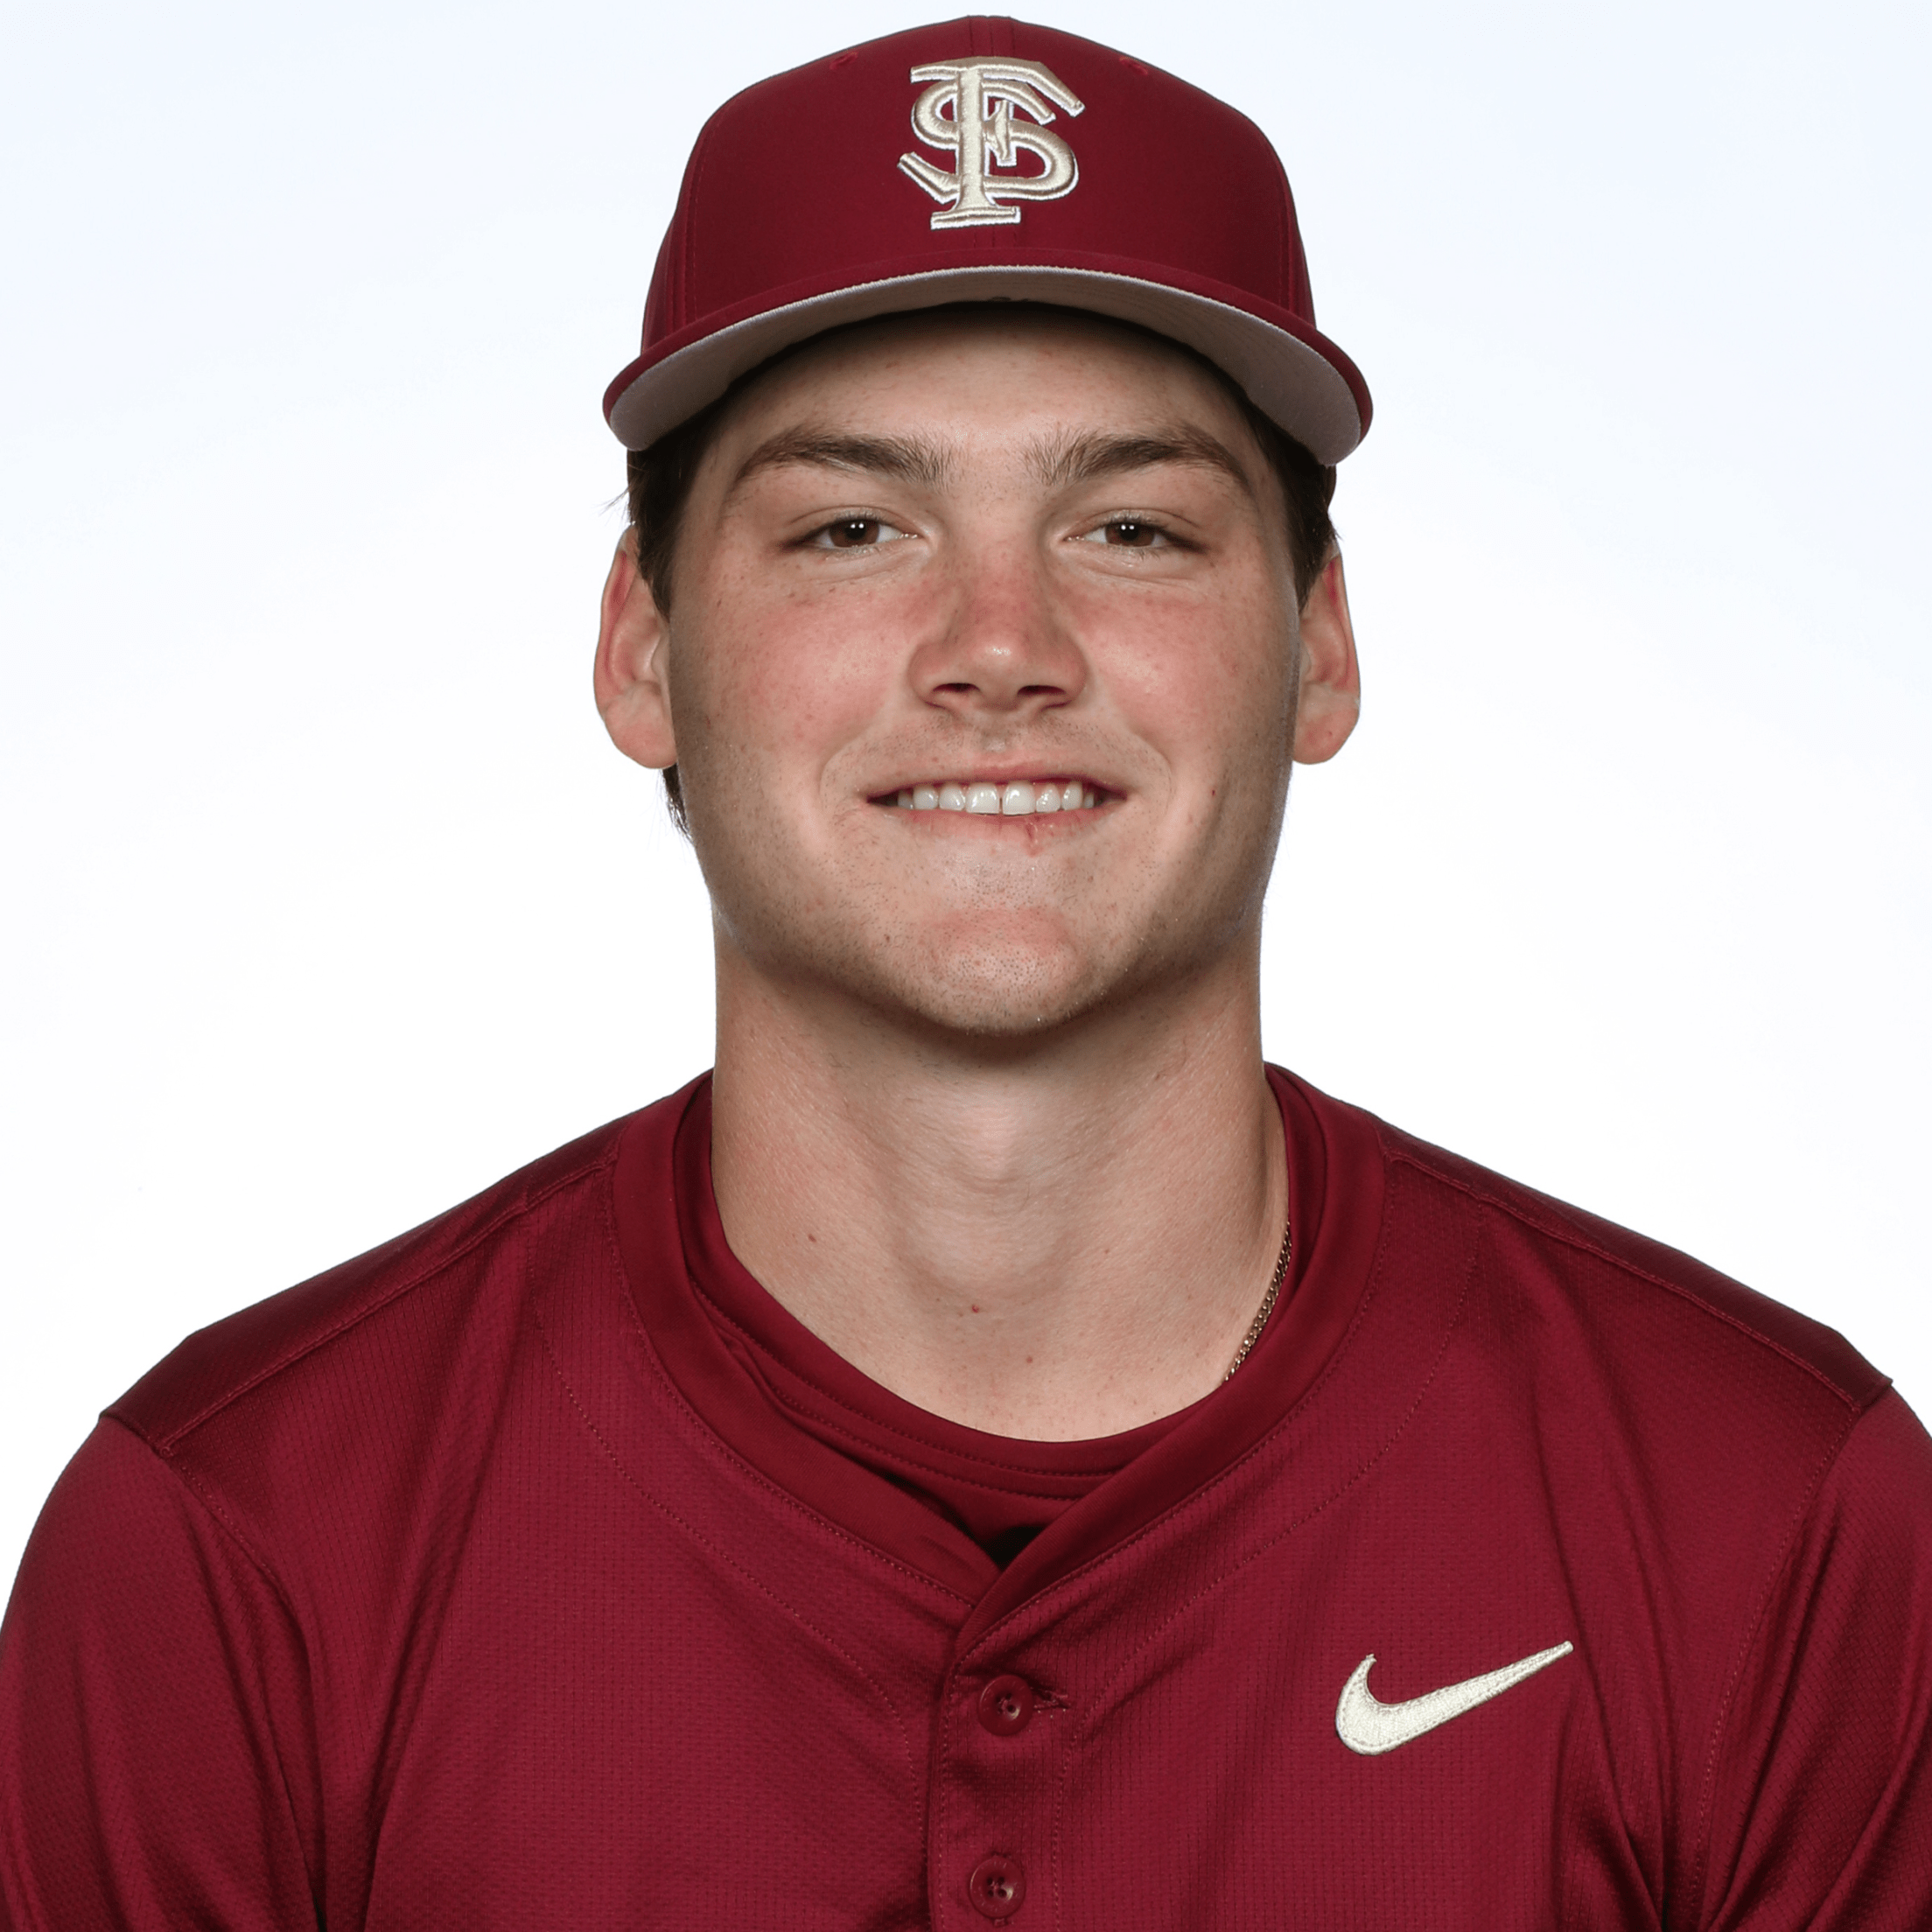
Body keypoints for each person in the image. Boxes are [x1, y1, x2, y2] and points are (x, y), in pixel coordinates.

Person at [4, 18, 1929, 1928]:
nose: (1000, 645)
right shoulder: (239, 1549)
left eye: (1132, 528)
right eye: (853, 527)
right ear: (642, 655)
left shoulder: (1768, 1522)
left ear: (1321, 650)